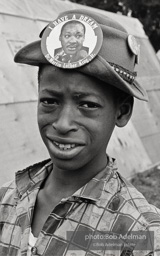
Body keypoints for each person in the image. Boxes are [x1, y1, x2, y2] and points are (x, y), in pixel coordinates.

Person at [0, 8, 160, 256]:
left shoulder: (138, 232)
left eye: (87, 105)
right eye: (50, 101)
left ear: (122, 112)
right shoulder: (6, 201)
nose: (63, 124)